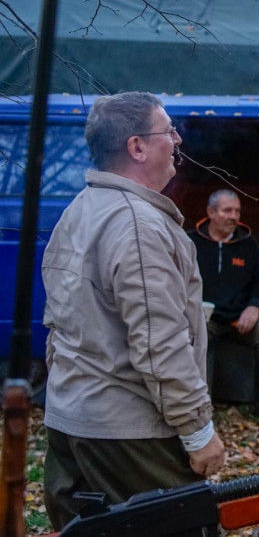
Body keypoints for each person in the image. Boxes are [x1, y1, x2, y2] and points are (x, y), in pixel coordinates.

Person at [42, 92, 225, 529]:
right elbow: (159, 343)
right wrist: (198, 432)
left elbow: (61, 325)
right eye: (167, 130)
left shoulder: (80, 210)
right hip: (128, 434)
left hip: (72, 420)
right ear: (137, 147)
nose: (178, 139)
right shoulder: (137, 225)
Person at [188, 190, 259, 423]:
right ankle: (201, 405)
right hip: (204, 316)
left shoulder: (249, 245)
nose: (233, 216)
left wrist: (254, 306)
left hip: (240, 316)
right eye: (227, 210)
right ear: (211, 213)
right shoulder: (190, 242)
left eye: (237, 211)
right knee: (193, 337)